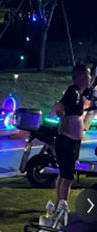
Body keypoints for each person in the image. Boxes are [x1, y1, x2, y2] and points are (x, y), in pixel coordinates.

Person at [53, 64, 91, 209]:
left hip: (73, 141)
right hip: (67, 140)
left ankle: (59, 205)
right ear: (82, 77)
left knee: (64, 174)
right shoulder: (72, 91)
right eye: (88, 75)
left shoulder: (79, 94)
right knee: (67, 177)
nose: (90, 78)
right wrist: (64, 119)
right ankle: (63, 205)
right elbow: (59, 107)